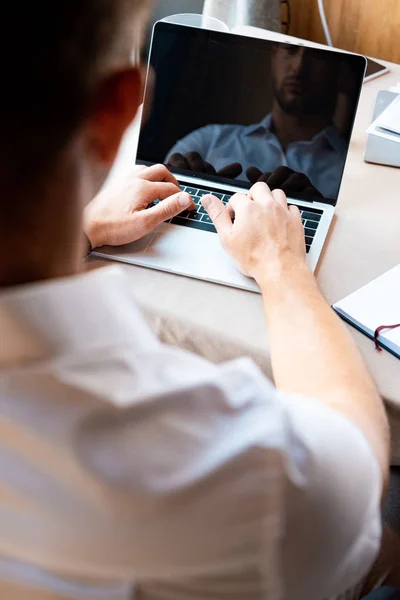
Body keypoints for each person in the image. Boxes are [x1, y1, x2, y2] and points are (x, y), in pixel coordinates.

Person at [0, 1, 397, 599]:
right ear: (119, 113)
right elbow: (355, 469)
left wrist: (79, 227)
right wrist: (281, 265)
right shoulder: (215, 462)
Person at [166, 43, 347, 199]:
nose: (298, 68)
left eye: (317, 56)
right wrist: (176, 188)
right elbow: (149, 198)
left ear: (339, 71)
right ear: (274, 56)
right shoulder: (207, 140)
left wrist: (312, 208)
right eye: (290, 50)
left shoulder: (348, 172)